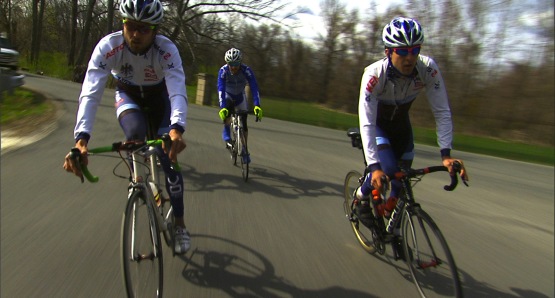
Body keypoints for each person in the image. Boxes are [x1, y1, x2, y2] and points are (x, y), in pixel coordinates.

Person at [62, 0, 191, 254]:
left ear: (155, 30)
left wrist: (177, 128)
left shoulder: (166, 50)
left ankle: (179, 224)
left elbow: (177, 91)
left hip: (160, 100)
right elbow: (90, 93)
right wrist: (81, 139)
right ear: (123, 23)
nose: (135, 34)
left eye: (144, 29)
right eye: (130, 26)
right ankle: (138, 181)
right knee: (133, 135)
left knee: (169, 159)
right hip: (128, 95)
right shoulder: (109, 47)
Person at [355, 17, 469, 231]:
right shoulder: (373, 75)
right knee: (387, 171)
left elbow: (442, 111)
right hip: (378, 125)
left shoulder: (428, 69)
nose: (410, 57)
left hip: (401, 127)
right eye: (403, 51)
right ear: (388, 52)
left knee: (401, 182)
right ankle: (360, 198)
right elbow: (367, 121)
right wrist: (374, 166)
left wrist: (446, 154)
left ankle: (391, 220)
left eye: (415, 50)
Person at [217, 48, 263, 164]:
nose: (234, 67)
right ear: (227, 63)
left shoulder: (246, 70)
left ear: (240, 62)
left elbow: (254, 87)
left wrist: (257, 105)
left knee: (244, 123)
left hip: (240, 96)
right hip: (228, 95)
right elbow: (221, 89)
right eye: (231, 64)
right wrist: (222, 107)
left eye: (236, 64)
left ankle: (244, 149)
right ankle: (226, 130)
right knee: (227, 108)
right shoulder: (223, 71)